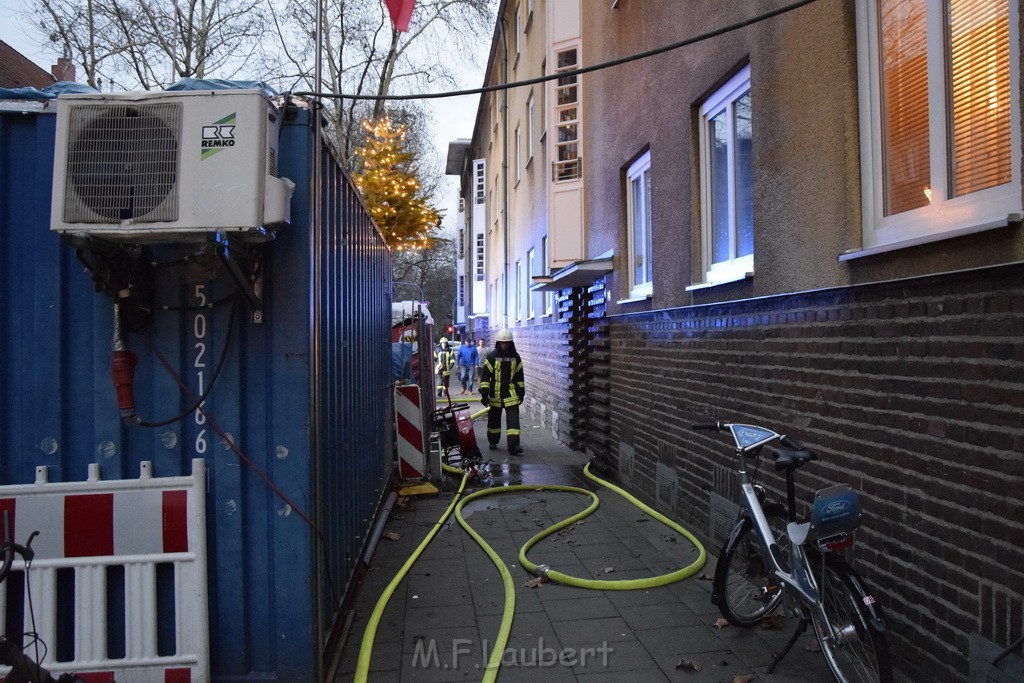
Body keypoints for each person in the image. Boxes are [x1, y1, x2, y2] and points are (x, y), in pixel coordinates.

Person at [479, 329, 525, 455]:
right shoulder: (492, 356)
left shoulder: (516, 357)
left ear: (510, 343)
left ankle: (514, 446)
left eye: (507, 343)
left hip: (511, 394)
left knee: (513, 422)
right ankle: (493, 441)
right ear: (498, 343)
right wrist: (484, 394)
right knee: (493, 422)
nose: (504, 345)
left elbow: (519, 376)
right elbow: (485, 377)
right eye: (502, 343)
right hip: (495, 395)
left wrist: (521, 392)